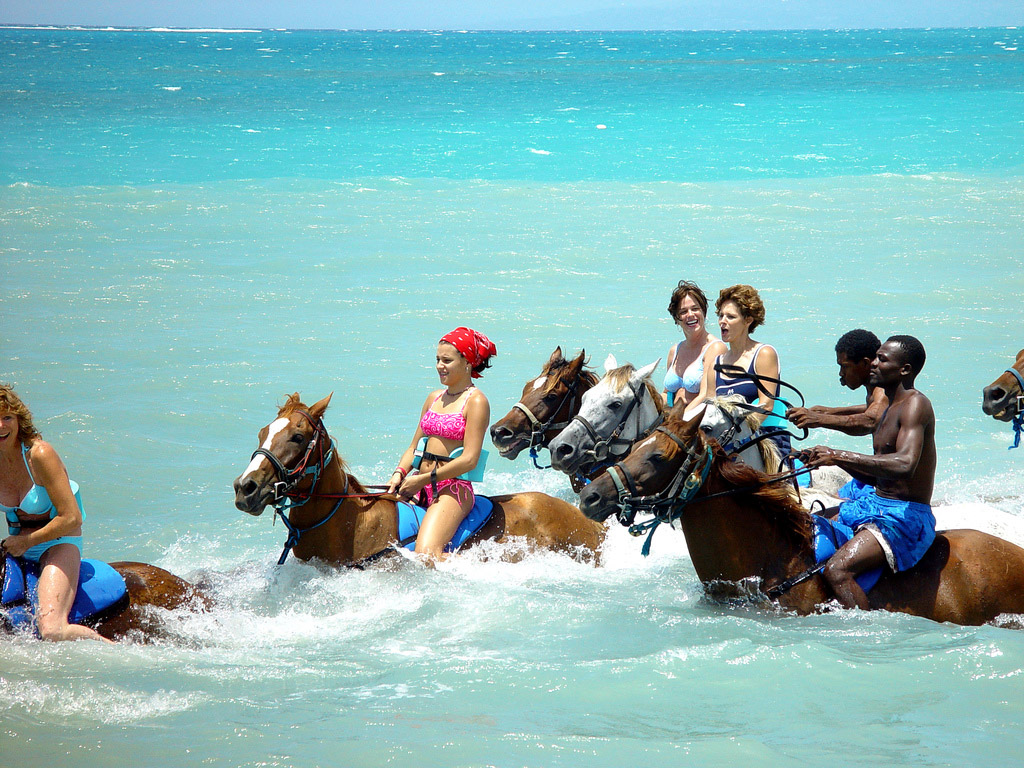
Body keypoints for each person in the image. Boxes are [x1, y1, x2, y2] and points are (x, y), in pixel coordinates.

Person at [796, 336, 936, 610]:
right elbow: (877, 479)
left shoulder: (915, 404)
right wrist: (828, 459)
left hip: (904, 516)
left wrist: (838, 455)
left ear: (905, 370)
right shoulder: (889, 406)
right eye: (875, 357)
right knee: (804, 526)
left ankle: (867, 635)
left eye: (882, 359)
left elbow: (905, 465)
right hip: (874, 504)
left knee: (837, 570)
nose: (872, 363)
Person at [0, 385, 112, 642]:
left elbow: (72, 517)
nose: (1, 425)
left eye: (7, 417)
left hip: (58, 543)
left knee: (52, 630)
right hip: (16, 547)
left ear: (18, 420)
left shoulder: (39, 455)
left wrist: (26, 542)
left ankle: (119, 653)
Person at [388, 328, 496, 563]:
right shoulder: (433, 398)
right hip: (417, 482)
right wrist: (399, 474)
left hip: (452, 490)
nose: (439, 366)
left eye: (447, 360)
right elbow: (413, 447)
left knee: (426, 554)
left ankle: (471, 571)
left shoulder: (476, 401)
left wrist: (425, 479)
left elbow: (469, 459)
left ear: (467, 362)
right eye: (437, 359)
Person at [688, 284, 791, 461]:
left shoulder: (764, 354)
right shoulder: (716, 364)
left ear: (748, 320)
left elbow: (766, 405)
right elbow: (711, 408)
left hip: (765, 438)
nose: (722, 321)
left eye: (730, 316)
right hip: (725, 441)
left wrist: (738, 436)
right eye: (721, 316)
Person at [787, 329, 888, 437]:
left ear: (865, 363)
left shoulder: (882, 389)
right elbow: (875, 407)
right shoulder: (875, 391)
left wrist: (818, 419)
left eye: (845, 366)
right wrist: (828, 411)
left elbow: (871, 421)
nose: (841, 373)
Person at [662, 280, 726, 408]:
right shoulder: (675, 351)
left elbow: (706, 395)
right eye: (683, 311)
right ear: (676, 319)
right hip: (673, 418)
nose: (690, 315)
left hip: (696, 420)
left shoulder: (715, 348)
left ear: (703, 312)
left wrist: (678, 422)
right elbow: (666, 394)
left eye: (695, 309)